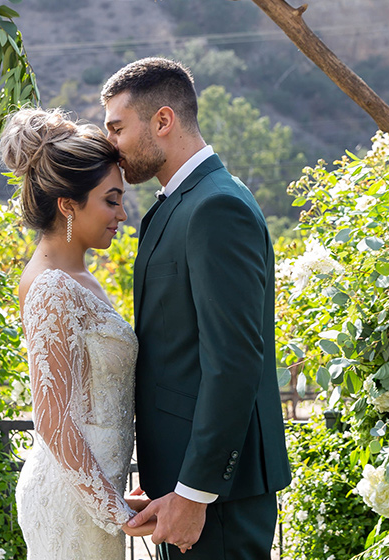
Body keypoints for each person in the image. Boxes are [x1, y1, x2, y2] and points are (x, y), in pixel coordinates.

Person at [100, 58, 292, 559]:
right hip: (183, 481)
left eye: (117, 128)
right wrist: (172, 478)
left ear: (162, 121)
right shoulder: (173, 205)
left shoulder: (216, 207)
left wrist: (194, 491)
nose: (110, 146)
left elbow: (234, 361)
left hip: (218, 495)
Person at [0, 108, 153, 559]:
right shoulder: (51, 285)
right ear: (68, 204)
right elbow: (52, 417)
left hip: (96, 489)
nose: (122, 213)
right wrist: (114, 512)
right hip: (75, 503)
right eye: (110, 199)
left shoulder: (76, 277)